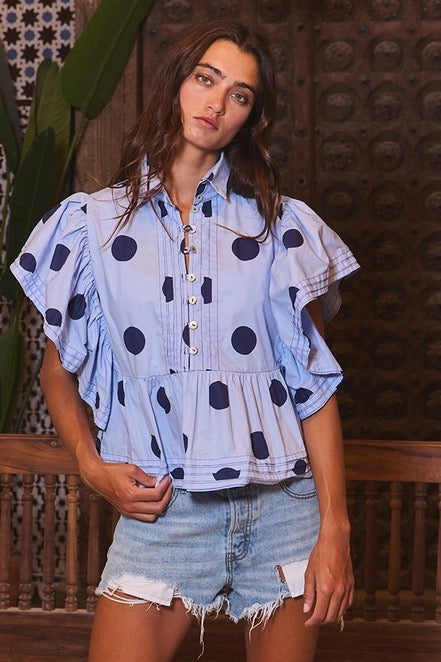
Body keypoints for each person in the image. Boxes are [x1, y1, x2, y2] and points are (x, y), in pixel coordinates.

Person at [11, 20, 358, 662]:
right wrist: (91, 464)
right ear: (178, 83)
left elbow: (312, 387)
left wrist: (334, 530)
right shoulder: (93, 226)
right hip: (165, 511)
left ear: (249, 118)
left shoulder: (278, 226)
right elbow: (57, 373)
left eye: (239, 95)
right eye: (206, 79)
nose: (216, 103)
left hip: (283, 508)